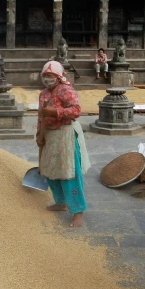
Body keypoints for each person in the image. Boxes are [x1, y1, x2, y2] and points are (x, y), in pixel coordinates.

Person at [36, 61, 90, 228]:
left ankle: (78, 212)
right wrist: (39, 135)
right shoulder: (43, 94)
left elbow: (76, 110)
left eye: (50, 76)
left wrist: (55, 112)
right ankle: (61, 202)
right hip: (50, 136)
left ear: (59, 77)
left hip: (65, 134)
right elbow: (40, 117)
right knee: (51, 171)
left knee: (68, 173)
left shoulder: (66, 90)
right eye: (45, 76)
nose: (47, 79)